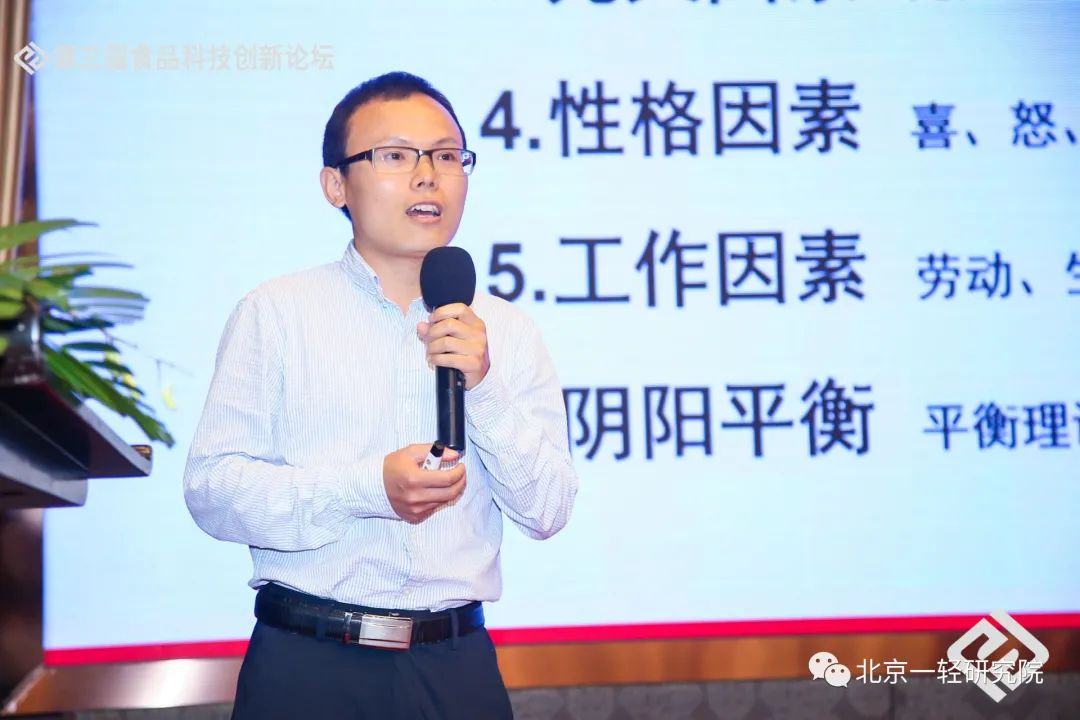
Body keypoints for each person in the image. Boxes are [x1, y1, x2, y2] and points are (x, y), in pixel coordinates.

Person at [183, 71, 578, 719]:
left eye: (446, 156)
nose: (428, 176)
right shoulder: (276, 313)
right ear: (335, 185)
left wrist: (483, 387)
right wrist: (369, 488)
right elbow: (212, 491)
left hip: (456, 667)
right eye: (396, 156)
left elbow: (548, 509)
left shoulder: (505, 330)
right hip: (307, 664)